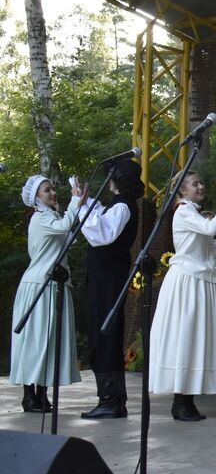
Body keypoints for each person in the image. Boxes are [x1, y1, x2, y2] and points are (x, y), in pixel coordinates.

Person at [149, 172, 216, 421]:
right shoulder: (183, 211)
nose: (201, 186)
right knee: (186, 337)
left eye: (202, 181)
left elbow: (207, 247)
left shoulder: (193, 212)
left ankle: (186, 400)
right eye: (195, 183)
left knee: (196, 339)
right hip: (188, 282)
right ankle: (181, 401)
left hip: (200, 282)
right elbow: (210, 228)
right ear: (182, 190)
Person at [9, 175, 85, 413]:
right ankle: (29, 396)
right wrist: (75, 202)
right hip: (39, 286)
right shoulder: (41, 218)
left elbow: (66, 235)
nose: (52, 192)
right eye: (46, 190)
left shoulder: (51, 217)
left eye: (52, 188)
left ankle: (41, 393)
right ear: (36, 197)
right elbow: (64, 228)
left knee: (49, 340)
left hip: (55, 285)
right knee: (36, 340)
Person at [79, 159, 143, 419]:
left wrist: (80, 205)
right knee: (100, 331)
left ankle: (111, 400)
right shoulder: (117, 206)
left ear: (116, 180)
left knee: (106, 333)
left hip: (108, 278)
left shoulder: (123, 207)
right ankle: (109, 398)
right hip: (103, 276)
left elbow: (101, 235)